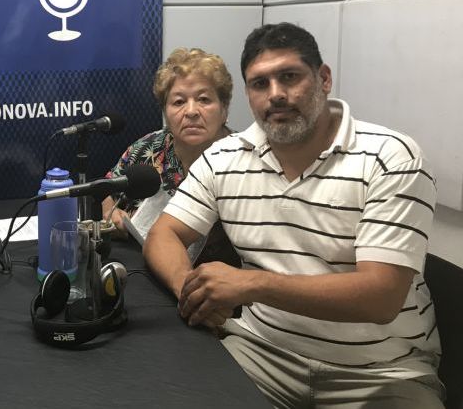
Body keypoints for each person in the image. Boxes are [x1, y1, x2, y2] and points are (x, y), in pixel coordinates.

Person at [144, 23, 443, 408]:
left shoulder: (391, 157)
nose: (276, 95)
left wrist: (251, 284)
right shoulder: (224, 159)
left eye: (289, 77)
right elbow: (164, 234)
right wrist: (191, 288)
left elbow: (381, 297)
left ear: (323, 79)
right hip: (258, 356)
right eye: (260, 84)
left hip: (381, 373)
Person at [102, 48, 238, 266]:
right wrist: (112, 215)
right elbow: (109, 195)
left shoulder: (243, 159)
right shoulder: (149, 146)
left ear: (224, 109)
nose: (191, 111)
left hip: (218, 283)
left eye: (203, 99)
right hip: (142, 271)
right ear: (165, 112)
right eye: (178, 102)